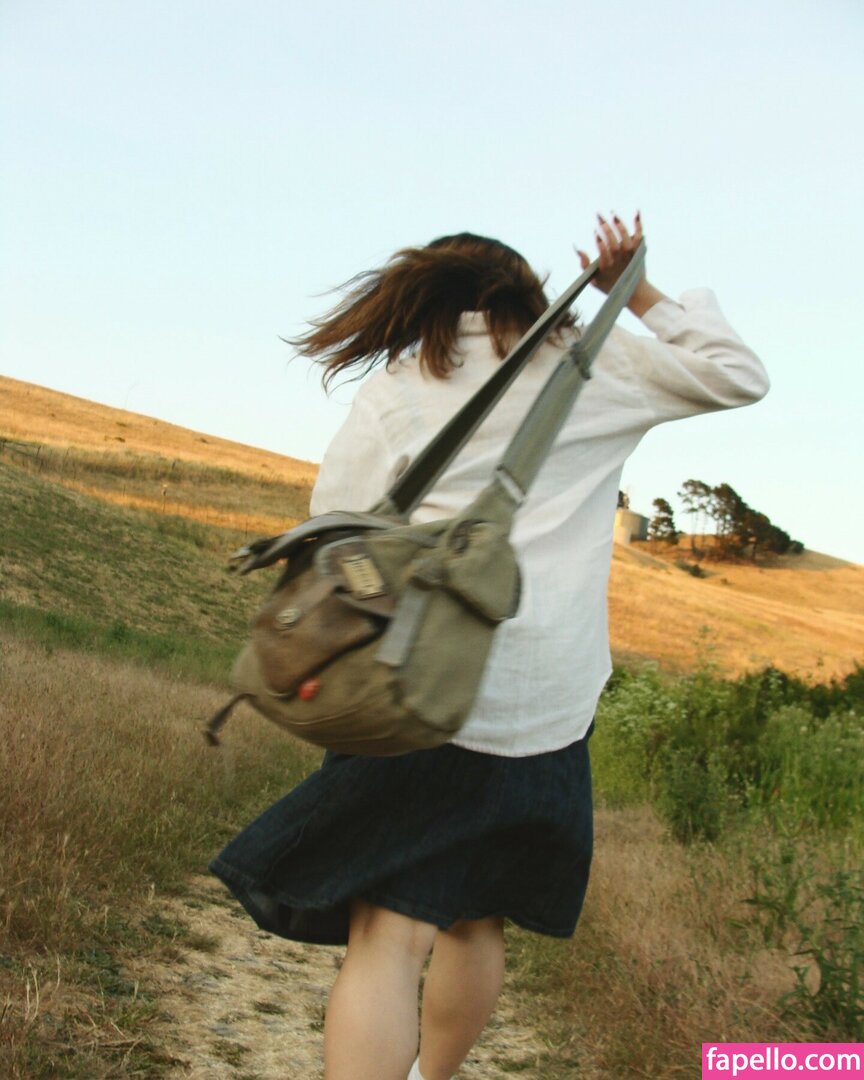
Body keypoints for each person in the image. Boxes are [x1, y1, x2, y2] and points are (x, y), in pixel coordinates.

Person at [210, 214, 769, 1080]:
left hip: (417, 681)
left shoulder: (400, 387)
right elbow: (737, 374)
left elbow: (338, 515)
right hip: (549, 705)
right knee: (477, 918)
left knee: (389, 933)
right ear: (529, 295)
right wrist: (638, 288)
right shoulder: (598, 365)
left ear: (428, 299)